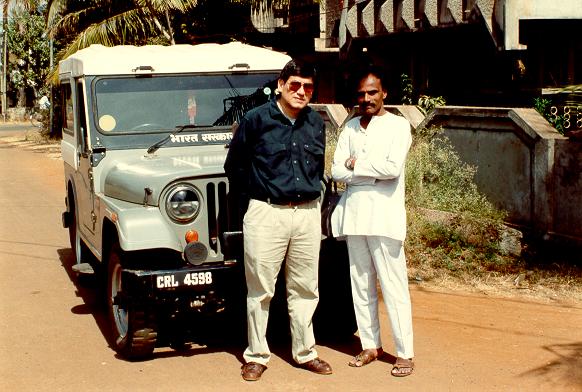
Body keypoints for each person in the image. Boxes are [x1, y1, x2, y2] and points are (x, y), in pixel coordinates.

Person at [224, 59, 331, 382]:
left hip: (307, 214)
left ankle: (305, 352)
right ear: (281, 84)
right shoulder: (256, 120)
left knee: (305, 288)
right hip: (266, 212)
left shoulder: (316, 122)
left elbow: (317, 167)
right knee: (260, 289)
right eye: (295, 85)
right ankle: (256, 355)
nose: (301, 92)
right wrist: (259, 199)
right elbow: (236, 168)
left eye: (308, 87)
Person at [330, 66, 415, 377]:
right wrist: (365, 173)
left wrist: (356, 167)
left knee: (393, 286)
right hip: (354, 216)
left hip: (385, 217)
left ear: (384, 93)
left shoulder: (398, 127)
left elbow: (392, 169)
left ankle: (405, 352)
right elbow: (337, 171)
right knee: (360, 284)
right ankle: (370, 345)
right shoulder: (350, 127)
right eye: (361, 94)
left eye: (372, 92)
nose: (366, 98)